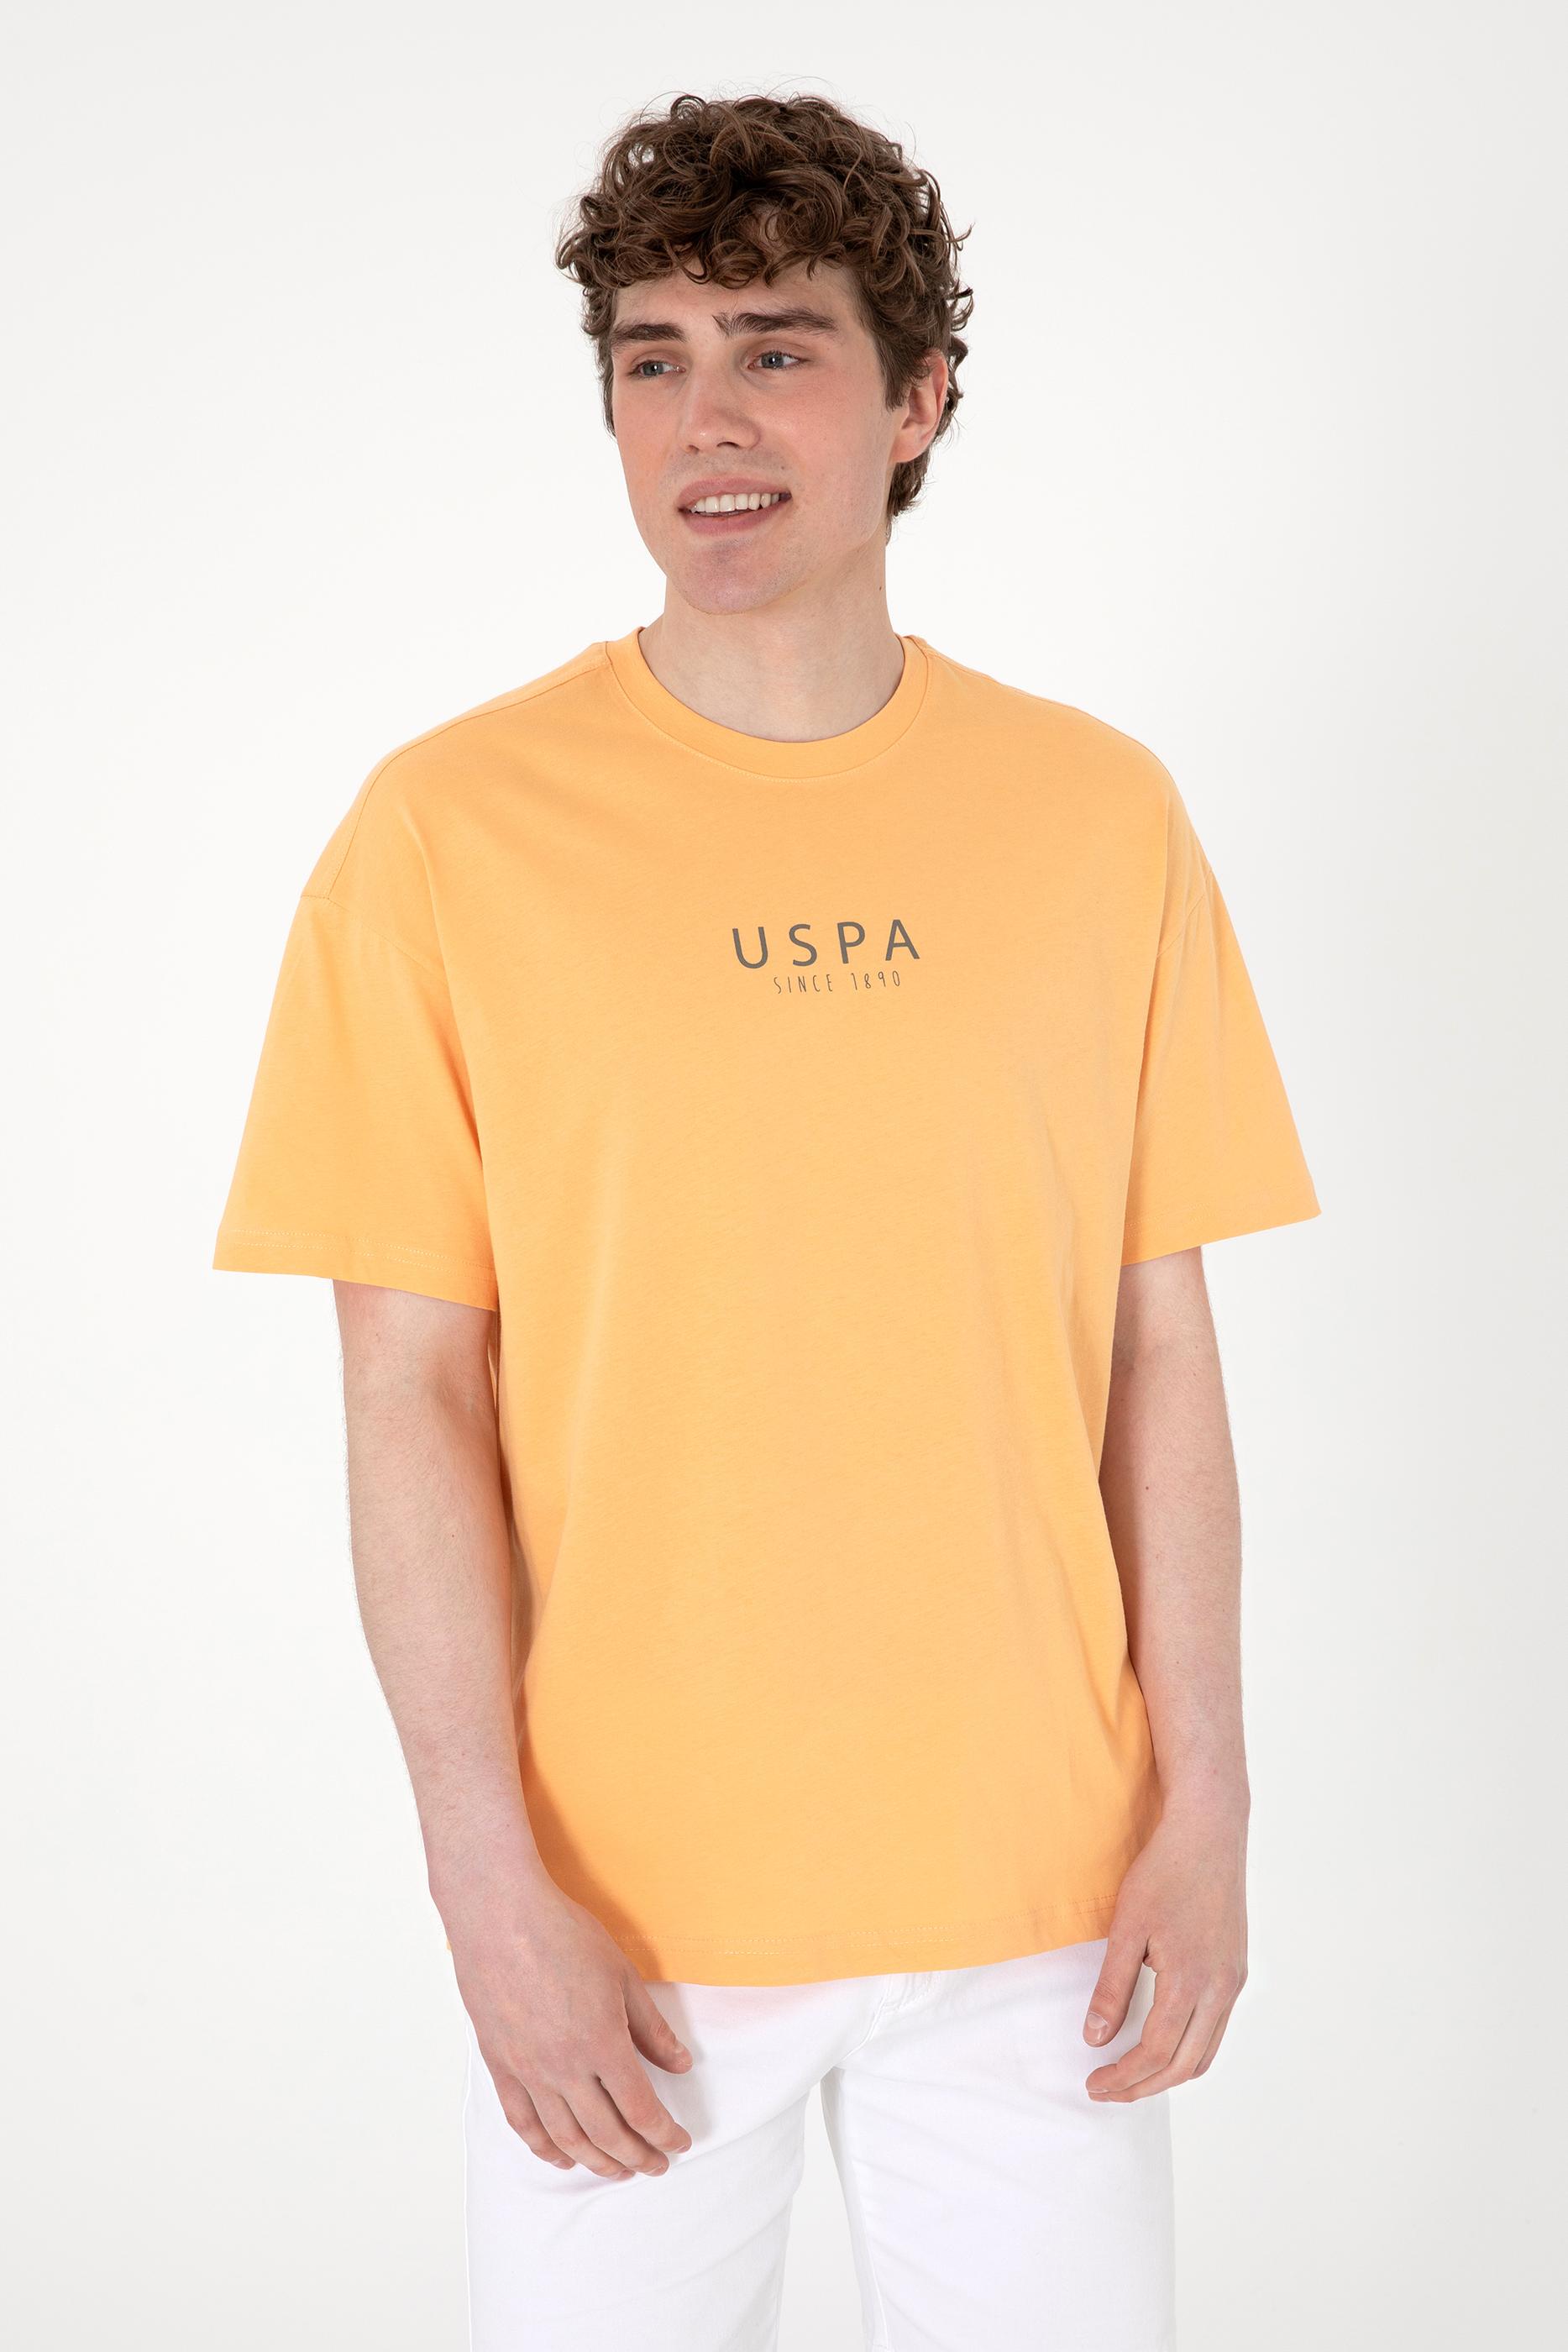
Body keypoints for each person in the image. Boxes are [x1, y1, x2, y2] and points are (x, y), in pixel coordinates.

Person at [212, 88, 1319, 2352]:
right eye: (654, 359)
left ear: (917, 403)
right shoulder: (445, 835)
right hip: (623, 1920)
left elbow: (1159, 1345)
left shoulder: (1096, 818)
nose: (706, 421)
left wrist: (1205, 1799)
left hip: (1047, 1907)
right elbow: (408, 1390)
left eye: (777, 349)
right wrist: (485, 1884)